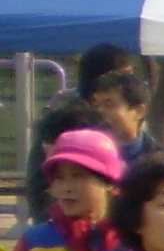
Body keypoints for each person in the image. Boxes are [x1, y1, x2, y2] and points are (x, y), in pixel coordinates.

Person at [20, 44, 142, 215]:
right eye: (124, 75)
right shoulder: (65, 125)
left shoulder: (148, 146)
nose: (131, 84)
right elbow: (39, 189)